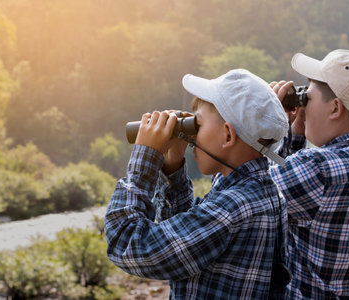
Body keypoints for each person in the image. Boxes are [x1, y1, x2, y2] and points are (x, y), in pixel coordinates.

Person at [105, 69, 290, 299]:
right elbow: (182, 239)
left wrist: (145, 160)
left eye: (197, 124)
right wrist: (172, 169)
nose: (190, 136)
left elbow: (127, 244)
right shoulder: (255, 190)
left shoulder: (233, 208)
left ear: (227, 136)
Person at [270, 49, 349, 299]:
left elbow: (241, 191)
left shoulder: (318, 168)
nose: (302, 105)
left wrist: (265, 122)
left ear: (335, 108)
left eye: (307, 98)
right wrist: (297, 130)